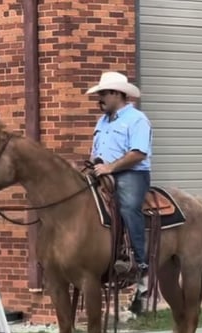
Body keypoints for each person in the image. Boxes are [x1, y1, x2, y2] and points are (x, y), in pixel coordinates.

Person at [85, 71, 153, 309]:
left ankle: (140, 264)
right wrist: (93, 166)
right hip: (102, 172)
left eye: (103, 94)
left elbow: (138, 153)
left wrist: (111, 168)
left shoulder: (137, 119)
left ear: (117, 94)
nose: (100, 98)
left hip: (131, 174)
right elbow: (95, 152)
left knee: (128, 207)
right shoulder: (102, 122)